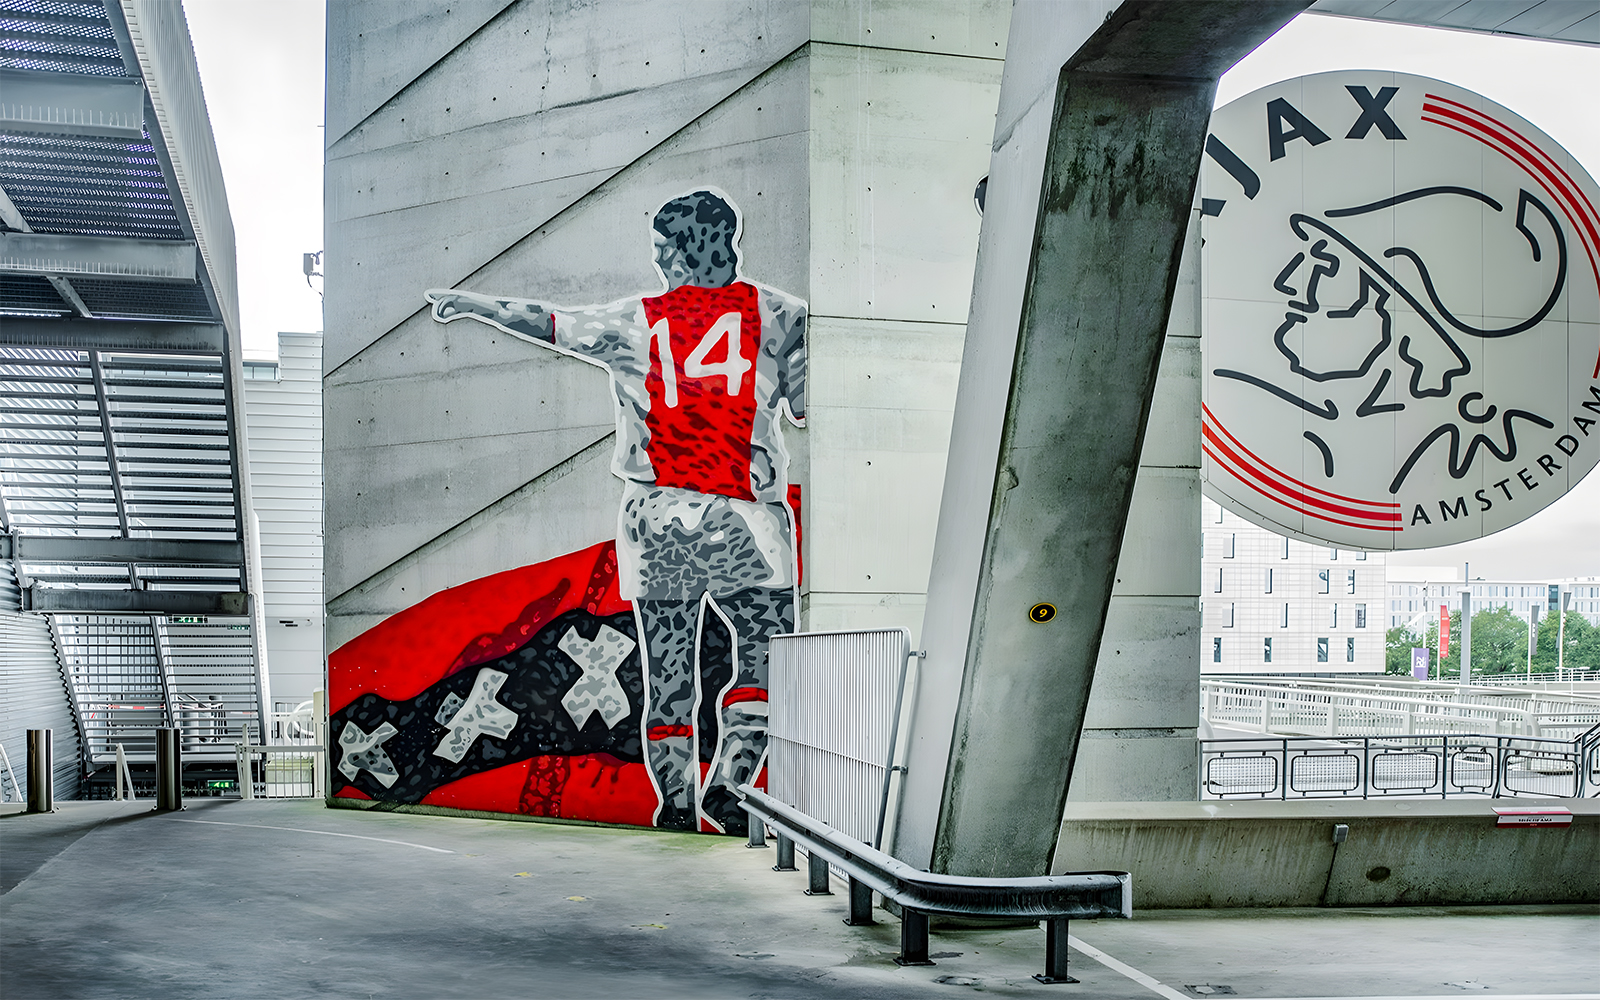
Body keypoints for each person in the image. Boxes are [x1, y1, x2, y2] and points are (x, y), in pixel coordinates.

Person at [425, 189, 805, 833]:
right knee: (765, 656)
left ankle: (676, 803)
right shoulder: (782, 314)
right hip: (746, 519)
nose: (657, 261)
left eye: (661, 249)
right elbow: (804, 402)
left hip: (657, 518)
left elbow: (545, 321)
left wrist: (471, 305)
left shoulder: (631, 321)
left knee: (669, 672)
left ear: (682, 252)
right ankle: (732, 784)